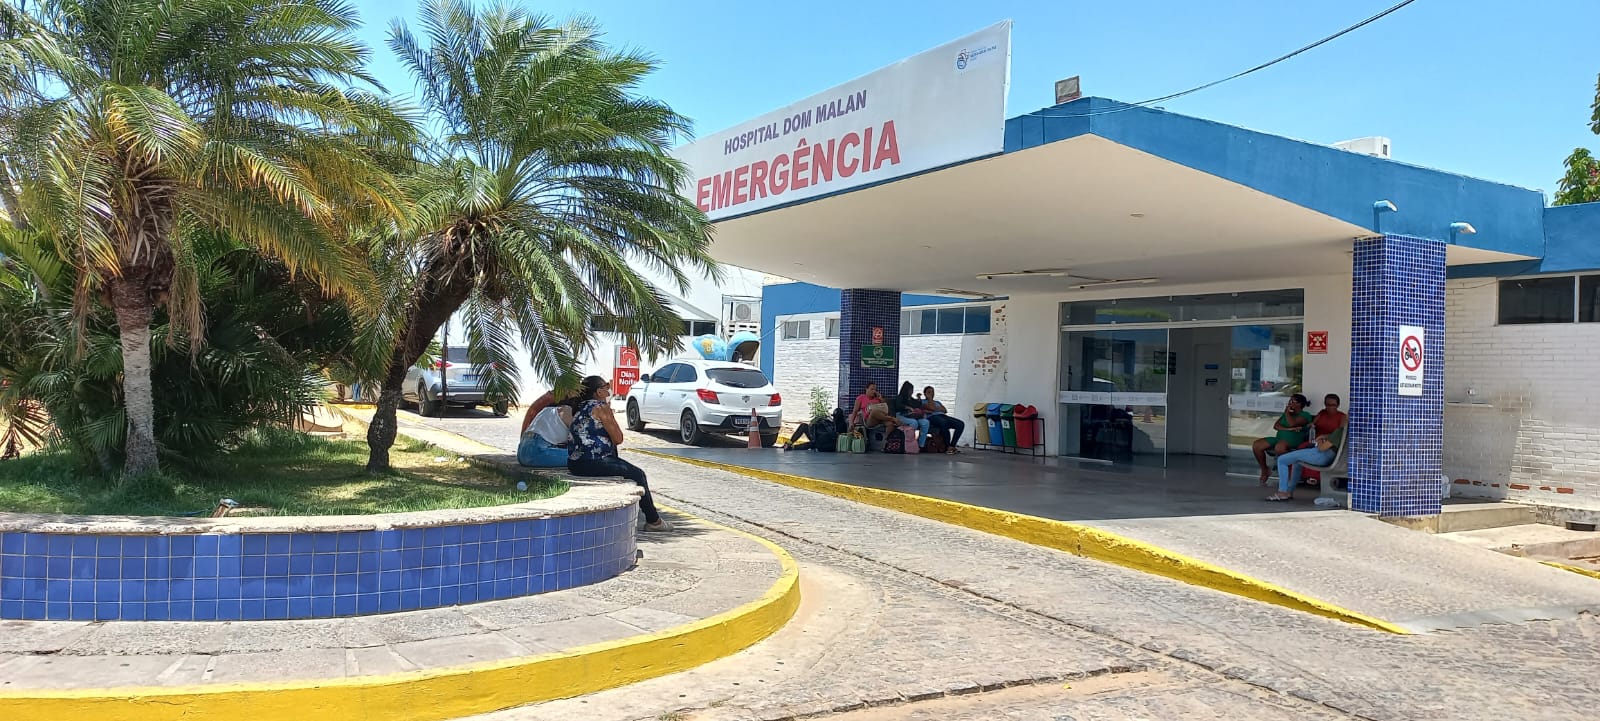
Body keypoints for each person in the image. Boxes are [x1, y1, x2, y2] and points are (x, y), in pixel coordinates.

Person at [565, 376, 669, 531]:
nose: (609, 389)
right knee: (639, 475)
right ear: (599, 392)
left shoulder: (579, 407)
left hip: (574, 463)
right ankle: (654, 521)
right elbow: (618, 438)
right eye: (606, 386)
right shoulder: (601, 408)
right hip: (594, 461)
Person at [1267, 394, 1348, 501]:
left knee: (1282, 460)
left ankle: (1282, 492)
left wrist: (1319, 441)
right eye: (1328, 405)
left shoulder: (1340, 430)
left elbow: (1322, 448)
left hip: (1323, 455)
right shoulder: (1347, 430)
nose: (1330, 407)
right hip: (1330, 454)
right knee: (1296, 462)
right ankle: (1289, 491)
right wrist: (1324, 436)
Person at [1252, 394, 1314, 483]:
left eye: (1292, 401)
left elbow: (1293, 423)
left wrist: (1287, 413)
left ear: (1299, 404)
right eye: (1289, 401)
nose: (1289, 403)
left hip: (1293, 440)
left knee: (1279, 447)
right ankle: (1265, 469)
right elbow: (1276, 426)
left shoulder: (1305, 415)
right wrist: (1289, 429)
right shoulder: (1287, 414)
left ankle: (1288, 473)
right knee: (1257, 445)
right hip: (1279, 438)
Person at [516, 389, 571, 467]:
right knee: (580, 458)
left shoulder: (545, 410)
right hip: (539, 453)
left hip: (522, 453)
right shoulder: (567, 410)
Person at [921, 386, 964, 454]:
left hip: (942, 415)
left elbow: (944, 410)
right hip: (932, 417)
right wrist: (933, 404)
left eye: (932, 392)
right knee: (944, 423)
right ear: (925, 393)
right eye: (929, 392)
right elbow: (931, 408)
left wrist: (935, 408)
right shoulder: (922, 402)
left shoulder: (937, 402)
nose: (931, 394)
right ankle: (948, 446)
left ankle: (952, 445)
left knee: (960, 424)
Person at [890, 381, 930, 449]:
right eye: (910, 390)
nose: (912, 392)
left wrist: (919, 399)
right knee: (914, 423)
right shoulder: (900, 397)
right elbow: (898, 406)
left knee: (925, 422)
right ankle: (909, 444)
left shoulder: (911, 399)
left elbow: (918, 405)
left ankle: (921, 445)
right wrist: (907, 407)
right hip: (901, 415)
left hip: (912, 416)